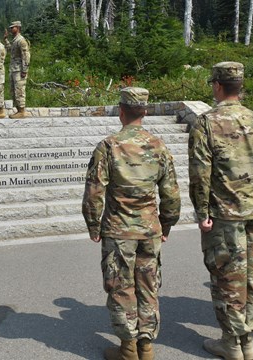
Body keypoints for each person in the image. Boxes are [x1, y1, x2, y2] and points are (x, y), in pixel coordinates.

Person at [188, 62, 253, 360]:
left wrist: (201, 211)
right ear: (239, 87)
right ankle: (248, 341)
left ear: (217, 86)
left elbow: (200, 174)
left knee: (227, 276)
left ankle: (232, 342)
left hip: (225, 214)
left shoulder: (206, 123)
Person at [82, 87, 181, 360]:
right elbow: (171, 193)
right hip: (150, 229)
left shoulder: (108, 146)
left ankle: (128, 349)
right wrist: (167, 224)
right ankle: (146, 347)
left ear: (121, 112)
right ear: (145, 112)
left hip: (118, 229)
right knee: (148, 285)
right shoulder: (158, 146)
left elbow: (94, 192)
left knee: (121, 286)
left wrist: (93, 225)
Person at [3, 21, 30, 119]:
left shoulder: (21, 40)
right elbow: (11, 50)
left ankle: (22, 111)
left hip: (19, 70)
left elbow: (26, 55)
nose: (11, 29)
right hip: (14, 69)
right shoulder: (15, 40)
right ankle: (19, 110)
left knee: (19, 90)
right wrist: (5, 40)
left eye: (12, 27)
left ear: (18, 28)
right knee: (13, 90)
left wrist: (24, 70)